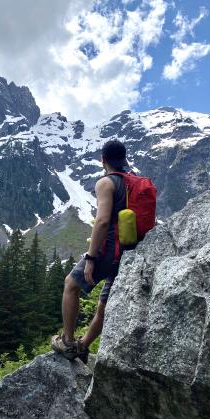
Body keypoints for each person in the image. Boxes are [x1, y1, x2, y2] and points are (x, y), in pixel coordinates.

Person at [51, 139, 132, 363]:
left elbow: (103, 221)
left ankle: (68, 342)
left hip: (109, 250)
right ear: (123, 159)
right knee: (105, 304)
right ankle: (83, 345)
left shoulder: (106, 183)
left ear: (103, 160)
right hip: (132, 252)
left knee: (71, 284)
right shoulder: (135, 182)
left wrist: (91, 257)